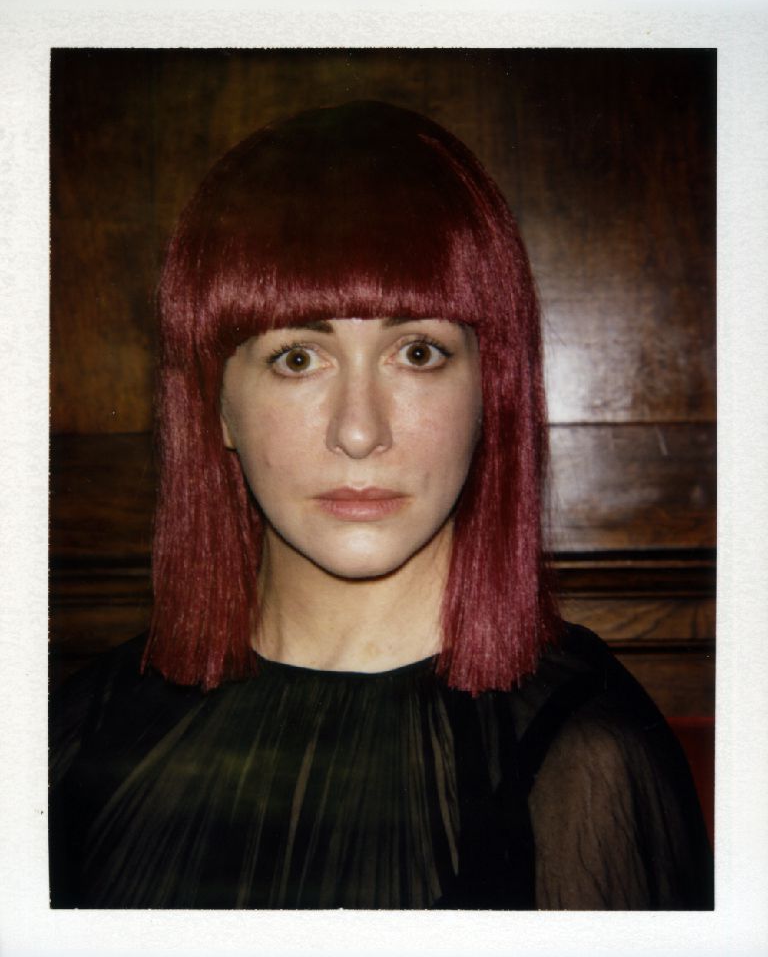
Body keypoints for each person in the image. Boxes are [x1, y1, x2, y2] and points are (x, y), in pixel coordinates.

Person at [49, 100, 713, 909]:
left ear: (491, 393)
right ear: (214, 405)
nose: (360, 431)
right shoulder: (72, 740)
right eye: (298, 357)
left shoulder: (587, 757)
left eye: (418, 352)